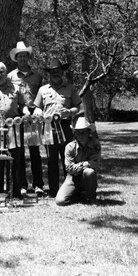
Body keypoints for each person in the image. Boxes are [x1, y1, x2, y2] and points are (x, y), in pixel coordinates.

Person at [33, 58, 82, 198]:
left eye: (58, 71)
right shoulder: (43, 90)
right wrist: (39, 114)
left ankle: (71, 188)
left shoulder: (70, 88)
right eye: (53, 72)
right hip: (48, 129)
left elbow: (78, 106)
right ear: (49, 74)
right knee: (51, 160)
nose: (56, 74)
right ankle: (54, 190)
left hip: (66, 127)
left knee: (68, 159)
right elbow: (37, 108)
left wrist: (70, 112)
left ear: (62, 72)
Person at [0, 62, 30, 198]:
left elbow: (22, 105)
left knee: (15, 158)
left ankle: (14, 191)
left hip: (14, 127)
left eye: (1, 71)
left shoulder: (16, 89)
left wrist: (26, 112)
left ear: (6, 73)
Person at [7, 41, 44, 196]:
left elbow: (42, 95)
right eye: (19, 56)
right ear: (16, 58)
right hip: (17, 117)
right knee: (19, 152)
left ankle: (38, 185)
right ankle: (22, 184)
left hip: (34, 116)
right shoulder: (10, 76)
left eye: (24, 56)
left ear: (28, 57)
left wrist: (38, 111)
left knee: (35, 151)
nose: (22, 58)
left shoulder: (38, 75)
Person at [55, 117, 101, 206]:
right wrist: (85, 164)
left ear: (89, 132)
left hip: (87, 176)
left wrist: (80, 166)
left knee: (89, 172)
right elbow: (69, 168)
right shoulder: (69, 147)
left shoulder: (95, 145)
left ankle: (91, 198)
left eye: (83, 132)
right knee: (60, 201)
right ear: (75, 134)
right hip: (72, 177)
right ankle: (80, 196)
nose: (81, 135)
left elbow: (95, 164)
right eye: (78, 132)